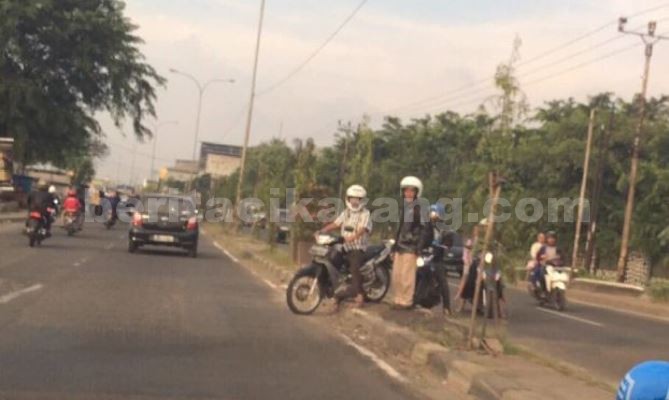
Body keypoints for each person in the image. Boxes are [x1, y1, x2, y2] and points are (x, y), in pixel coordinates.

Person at [316, 184, 372, 310]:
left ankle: (360, 296)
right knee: (332, 264)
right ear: (348, 198)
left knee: (354, 268)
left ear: (362, 200)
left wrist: (354, 236)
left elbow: (363, 229)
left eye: (357, 199)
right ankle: (334, 293)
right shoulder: (346, 212)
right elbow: (336, 223)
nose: (354, 201)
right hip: (344, 246)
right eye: (352, 198)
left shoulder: (365, 213)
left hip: (357, 248)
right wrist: (322, 230)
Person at [391, 176, 430, 310]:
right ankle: (397, 299)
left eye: (411, 191)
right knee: (397, 275)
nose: (408, 193)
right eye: (406, 191)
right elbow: (399, 228)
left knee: (407, 277)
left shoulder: (421, 209)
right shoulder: (403, 207)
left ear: (416, 192)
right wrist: (394, 246)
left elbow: (425, 230)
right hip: (399, 246)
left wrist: (418, 248)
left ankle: (406, 301)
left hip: (411, 247)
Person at [427, 203, 452, 315]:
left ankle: (447, 307)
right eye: (431, 212)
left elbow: (448, 242)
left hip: (437, 258)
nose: (432, 215)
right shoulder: (426, 226)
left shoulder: (444, 229)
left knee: (442, 280)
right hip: (425, 255)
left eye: (434, 213)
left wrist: (444, 245)